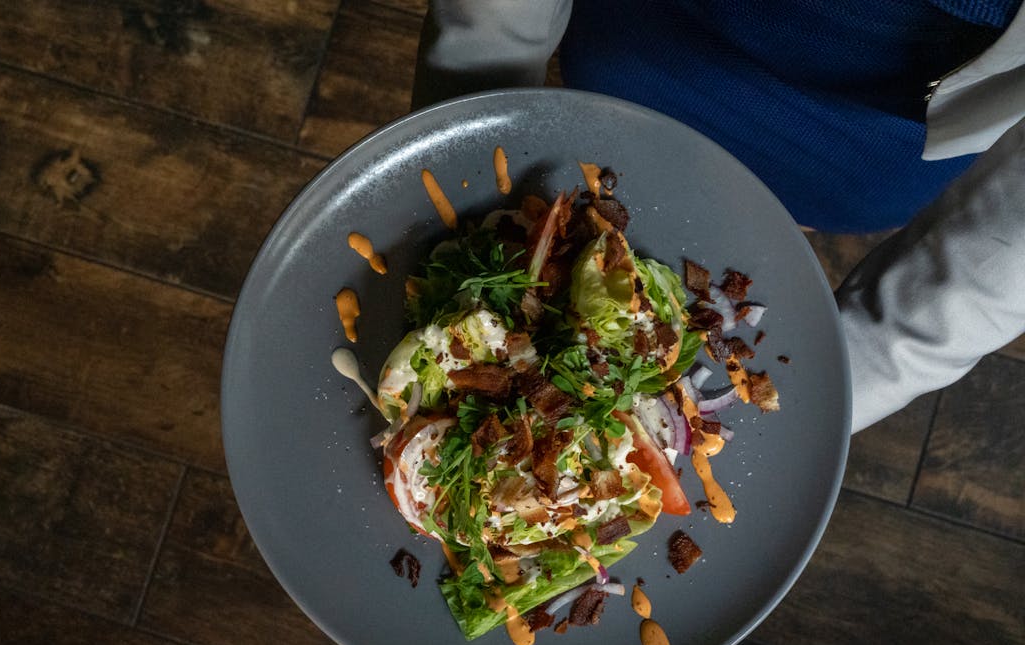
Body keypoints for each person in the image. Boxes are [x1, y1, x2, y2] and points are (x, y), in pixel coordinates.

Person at [411, 1, 1025, 432]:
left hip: (875, 135)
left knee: (779, 220)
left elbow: (998, 259)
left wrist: (821, 400)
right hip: (647, 31)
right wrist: (465, 138)